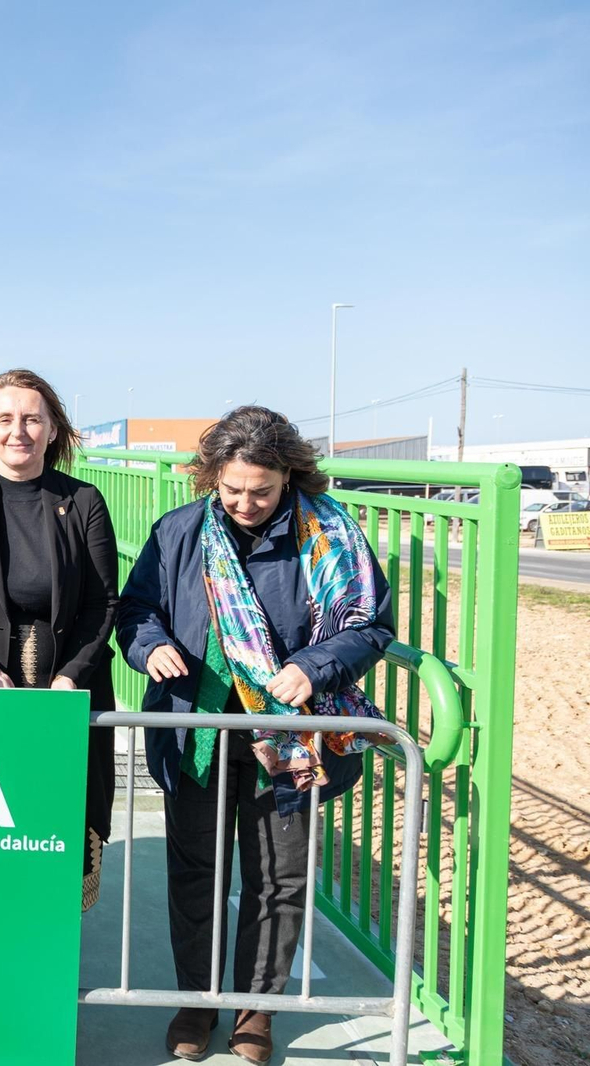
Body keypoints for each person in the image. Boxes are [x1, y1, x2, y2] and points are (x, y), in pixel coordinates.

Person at [115, 406, 394, 1064]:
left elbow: (370, 623)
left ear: (289, 476)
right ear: (212, 475)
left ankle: (254, 1013)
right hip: (198, 732)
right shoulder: (179, 531)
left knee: (278, 878)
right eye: (231, 488)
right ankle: (197, 1000)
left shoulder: (328, 536)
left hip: (289, 739)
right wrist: (149, 645)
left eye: (261, 491)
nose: (244, 502)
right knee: (195, 874)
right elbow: (135, 610)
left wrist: (314, 665)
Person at [0, 368, 118, 911]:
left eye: (33, 418)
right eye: (5, 419)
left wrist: (68, 676)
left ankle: (48, 950)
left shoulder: (83, 502)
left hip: (65, 687)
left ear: (53, 429)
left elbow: (103, 604)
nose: (19, 431)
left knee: (55, 823)